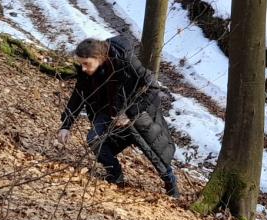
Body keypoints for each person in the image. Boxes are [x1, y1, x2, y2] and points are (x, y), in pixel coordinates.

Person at [56, 35, 179, 197]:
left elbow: (153, 87)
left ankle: (172, 188)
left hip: (138, 113)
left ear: (99, 57)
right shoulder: (85, 72)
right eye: (81, 64)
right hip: (107, 112)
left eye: (86, 64)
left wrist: (130, 113)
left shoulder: (125, 59)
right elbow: (78, 94)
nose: (83, 68)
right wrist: (66, 125)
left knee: (154, 152)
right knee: (95, 140)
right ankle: (115, 175)